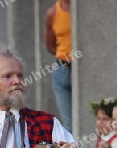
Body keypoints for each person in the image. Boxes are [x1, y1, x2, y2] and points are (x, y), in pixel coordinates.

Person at [45, 0, 72, 132]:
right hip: (62, 68)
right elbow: (50, 45)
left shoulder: (82, 9)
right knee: (69, 123)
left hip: (84, 70)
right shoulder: (53, 12)